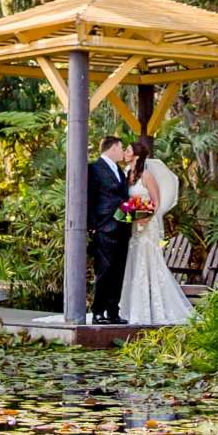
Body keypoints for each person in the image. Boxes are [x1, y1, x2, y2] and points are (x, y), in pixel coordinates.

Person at [118, 142, 194, 326]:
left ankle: (154, 309)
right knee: (134, 262)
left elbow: (157, 201)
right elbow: (128, 200)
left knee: (147, 262)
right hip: (134, 226)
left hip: (147, 226)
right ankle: (131, 309)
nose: (125, 153)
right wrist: (129, 216)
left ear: (136, 155)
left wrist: (146, 217)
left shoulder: (147, 175)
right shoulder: (129, 175)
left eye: (128, 150)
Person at [85, 134, 132, 324]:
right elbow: (89, 198)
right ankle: (98, 312)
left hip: (122, 227)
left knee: (118, 270)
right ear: (113, 148)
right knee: (104, 270)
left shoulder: (120, 171)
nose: (123, 152)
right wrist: (92, 225)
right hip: (104, 227)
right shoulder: (94, 169)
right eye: (121, 148)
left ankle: (113, 311)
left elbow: (123, 198)